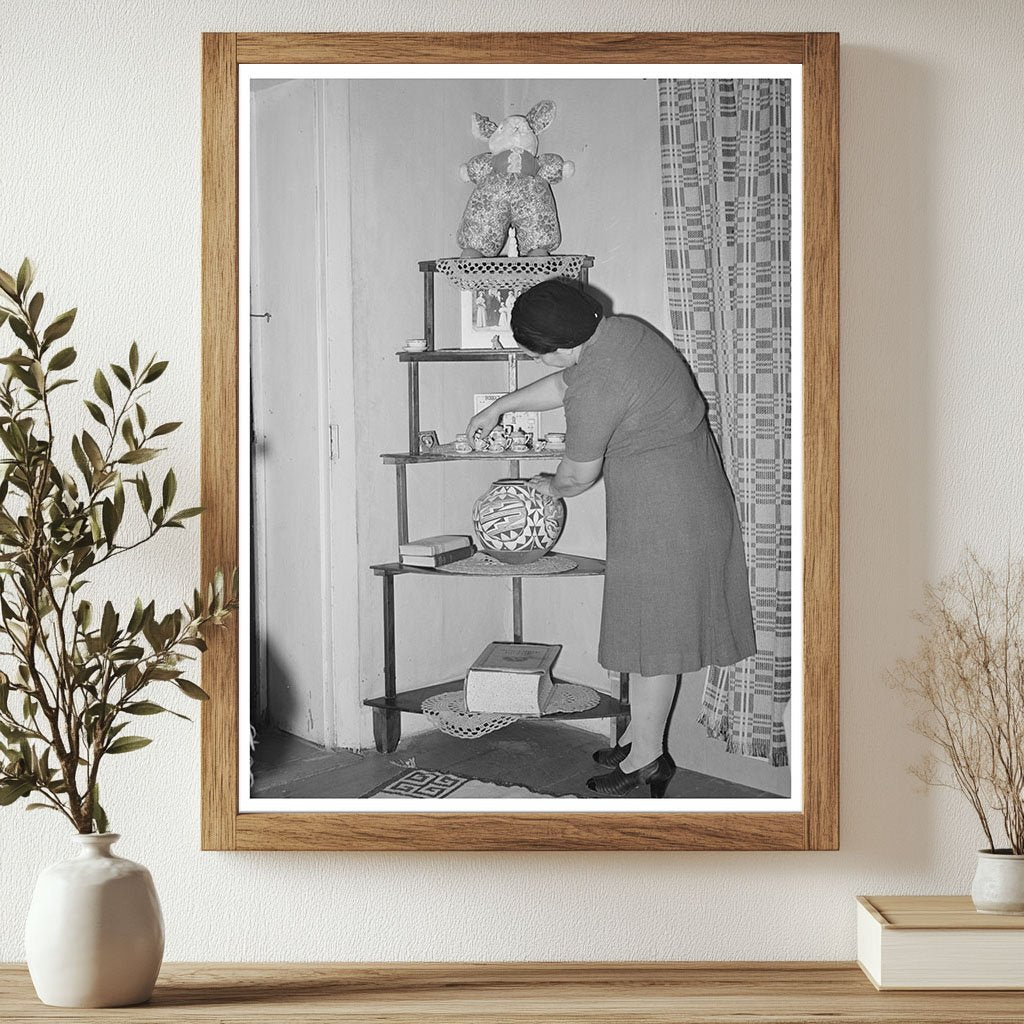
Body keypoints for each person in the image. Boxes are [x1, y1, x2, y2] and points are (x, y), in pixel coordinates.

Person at [465, 279, 757, 798]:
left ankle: (648, 760)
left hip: (669, 511)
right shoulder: (617, 333)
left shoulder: (601, 380)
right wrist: (499, 408)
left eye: (535, 353)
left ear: (557, 347)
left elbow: (576, 477)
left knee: (654, 641)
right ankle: (638, 739)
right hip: (675, 495)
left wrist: (543, 486)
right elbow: (565, 383)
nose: (536, 361)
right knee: (647, 630)